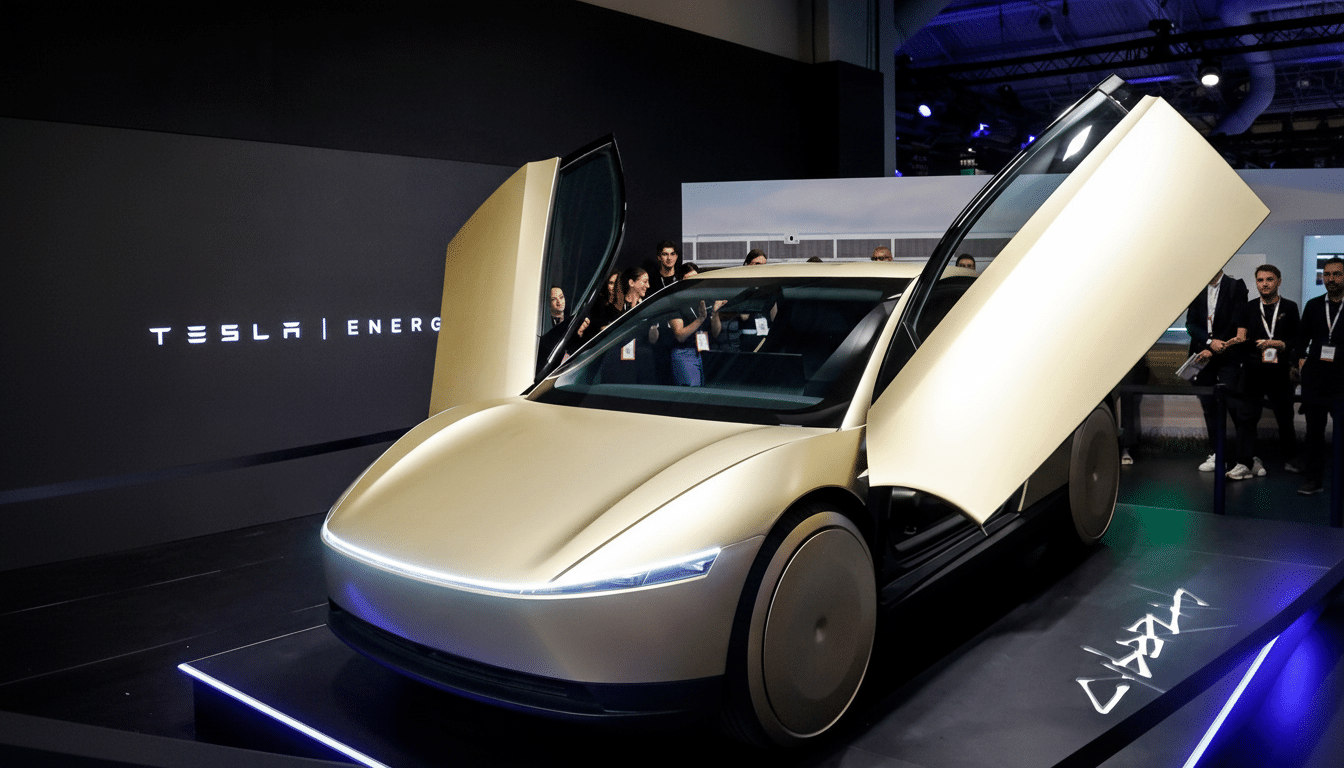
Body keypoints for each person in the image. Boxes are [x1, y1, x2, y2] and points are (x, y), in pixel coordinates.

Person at [1228, 264, 1300, 480]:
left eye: (1269, 279)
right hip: (1253, 371)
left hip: (1280, 371)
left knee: (1285, 417)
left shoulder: (1290, 307)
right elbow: (1242, 338)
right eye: (1260, 280)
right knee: (1246, 418)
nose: (1265, 284)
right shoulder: (1248, 308)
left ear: (1279, 281)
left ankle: (1291, 458)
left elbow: (1297, 338)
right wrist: (1236, 343)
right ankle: (1245, 462)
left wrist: (1282, 344)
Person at [1186, 268, 1248, 472]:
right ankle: (1218, 453)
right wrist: (1209, 342)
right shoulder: (1197, 288)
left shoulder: (1235, 286)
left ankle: (1245, 458)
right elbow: (1191, 324)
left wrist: (1215, 346)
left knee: (1235, 406)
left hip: (1228, 355)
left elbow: (1237, 321)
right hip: (1203, 355)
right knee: (1209, 406)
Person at [1295, 257, 1344, 495]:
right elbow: (1302, 337)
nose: (1331, 279)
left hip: (1342, 380)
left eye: (1337, 274)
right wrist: (1300, 358)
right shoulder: (1314, 305)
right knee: (1314, 432)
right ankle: (1313, 480)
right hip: (1315, 378)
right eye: (1327, 274)